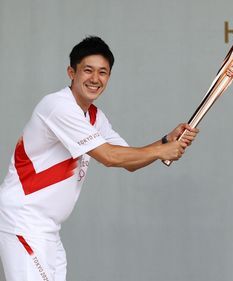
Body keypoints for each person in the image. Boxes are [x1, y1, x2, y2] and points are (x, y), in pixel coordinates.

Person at [0, 36, 199, 281]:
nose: (95, 79)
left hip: (48, 229)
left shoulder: (94, 117)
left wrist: (166, 141)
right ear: (71, 72)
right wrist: (161, 152)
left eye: (103, 72)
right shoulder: (57, 106)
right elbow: (108, 156)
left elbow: (128, 161)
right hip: (24, 222)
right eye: (88, 70)